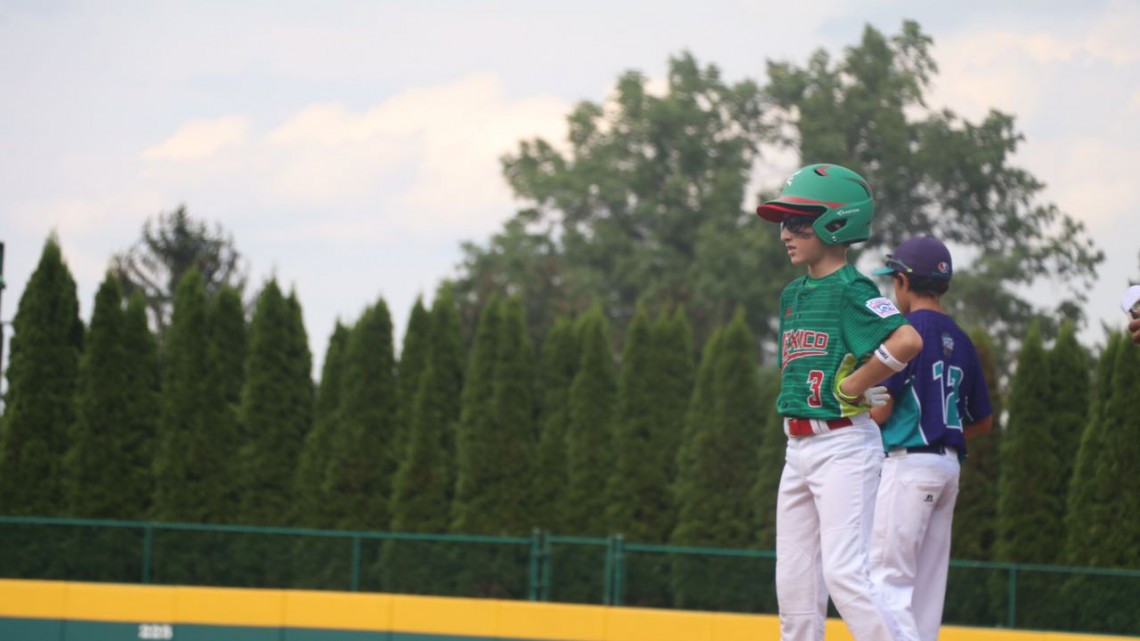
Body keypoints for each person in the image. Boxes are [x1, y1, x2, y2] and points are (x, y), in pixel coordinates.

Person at [757, 163, 923, 641]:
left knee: (846, 575)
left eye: (798, 222)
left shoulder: (854, 288)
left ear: (836, 222)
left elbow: (907, 341)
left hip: (843, 447)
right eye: (784, 224)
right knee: (793, 586)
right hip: (799, 449)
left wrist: (855, 387)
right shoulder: (793, 294)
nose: (786, 233)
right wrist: (856, 379)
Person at [867, 236, 994, 641]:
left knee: (885, 580)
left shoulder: (905, 333)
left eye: (894, 281)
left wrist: (857, 399)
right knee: (925, 590)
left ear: (903, 280)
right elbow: (984, 420)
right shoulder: (962, 337)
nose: (893, 288)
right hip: (947, 467)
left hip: (909, 463)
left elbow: (882, 409)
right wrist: (948, 430)